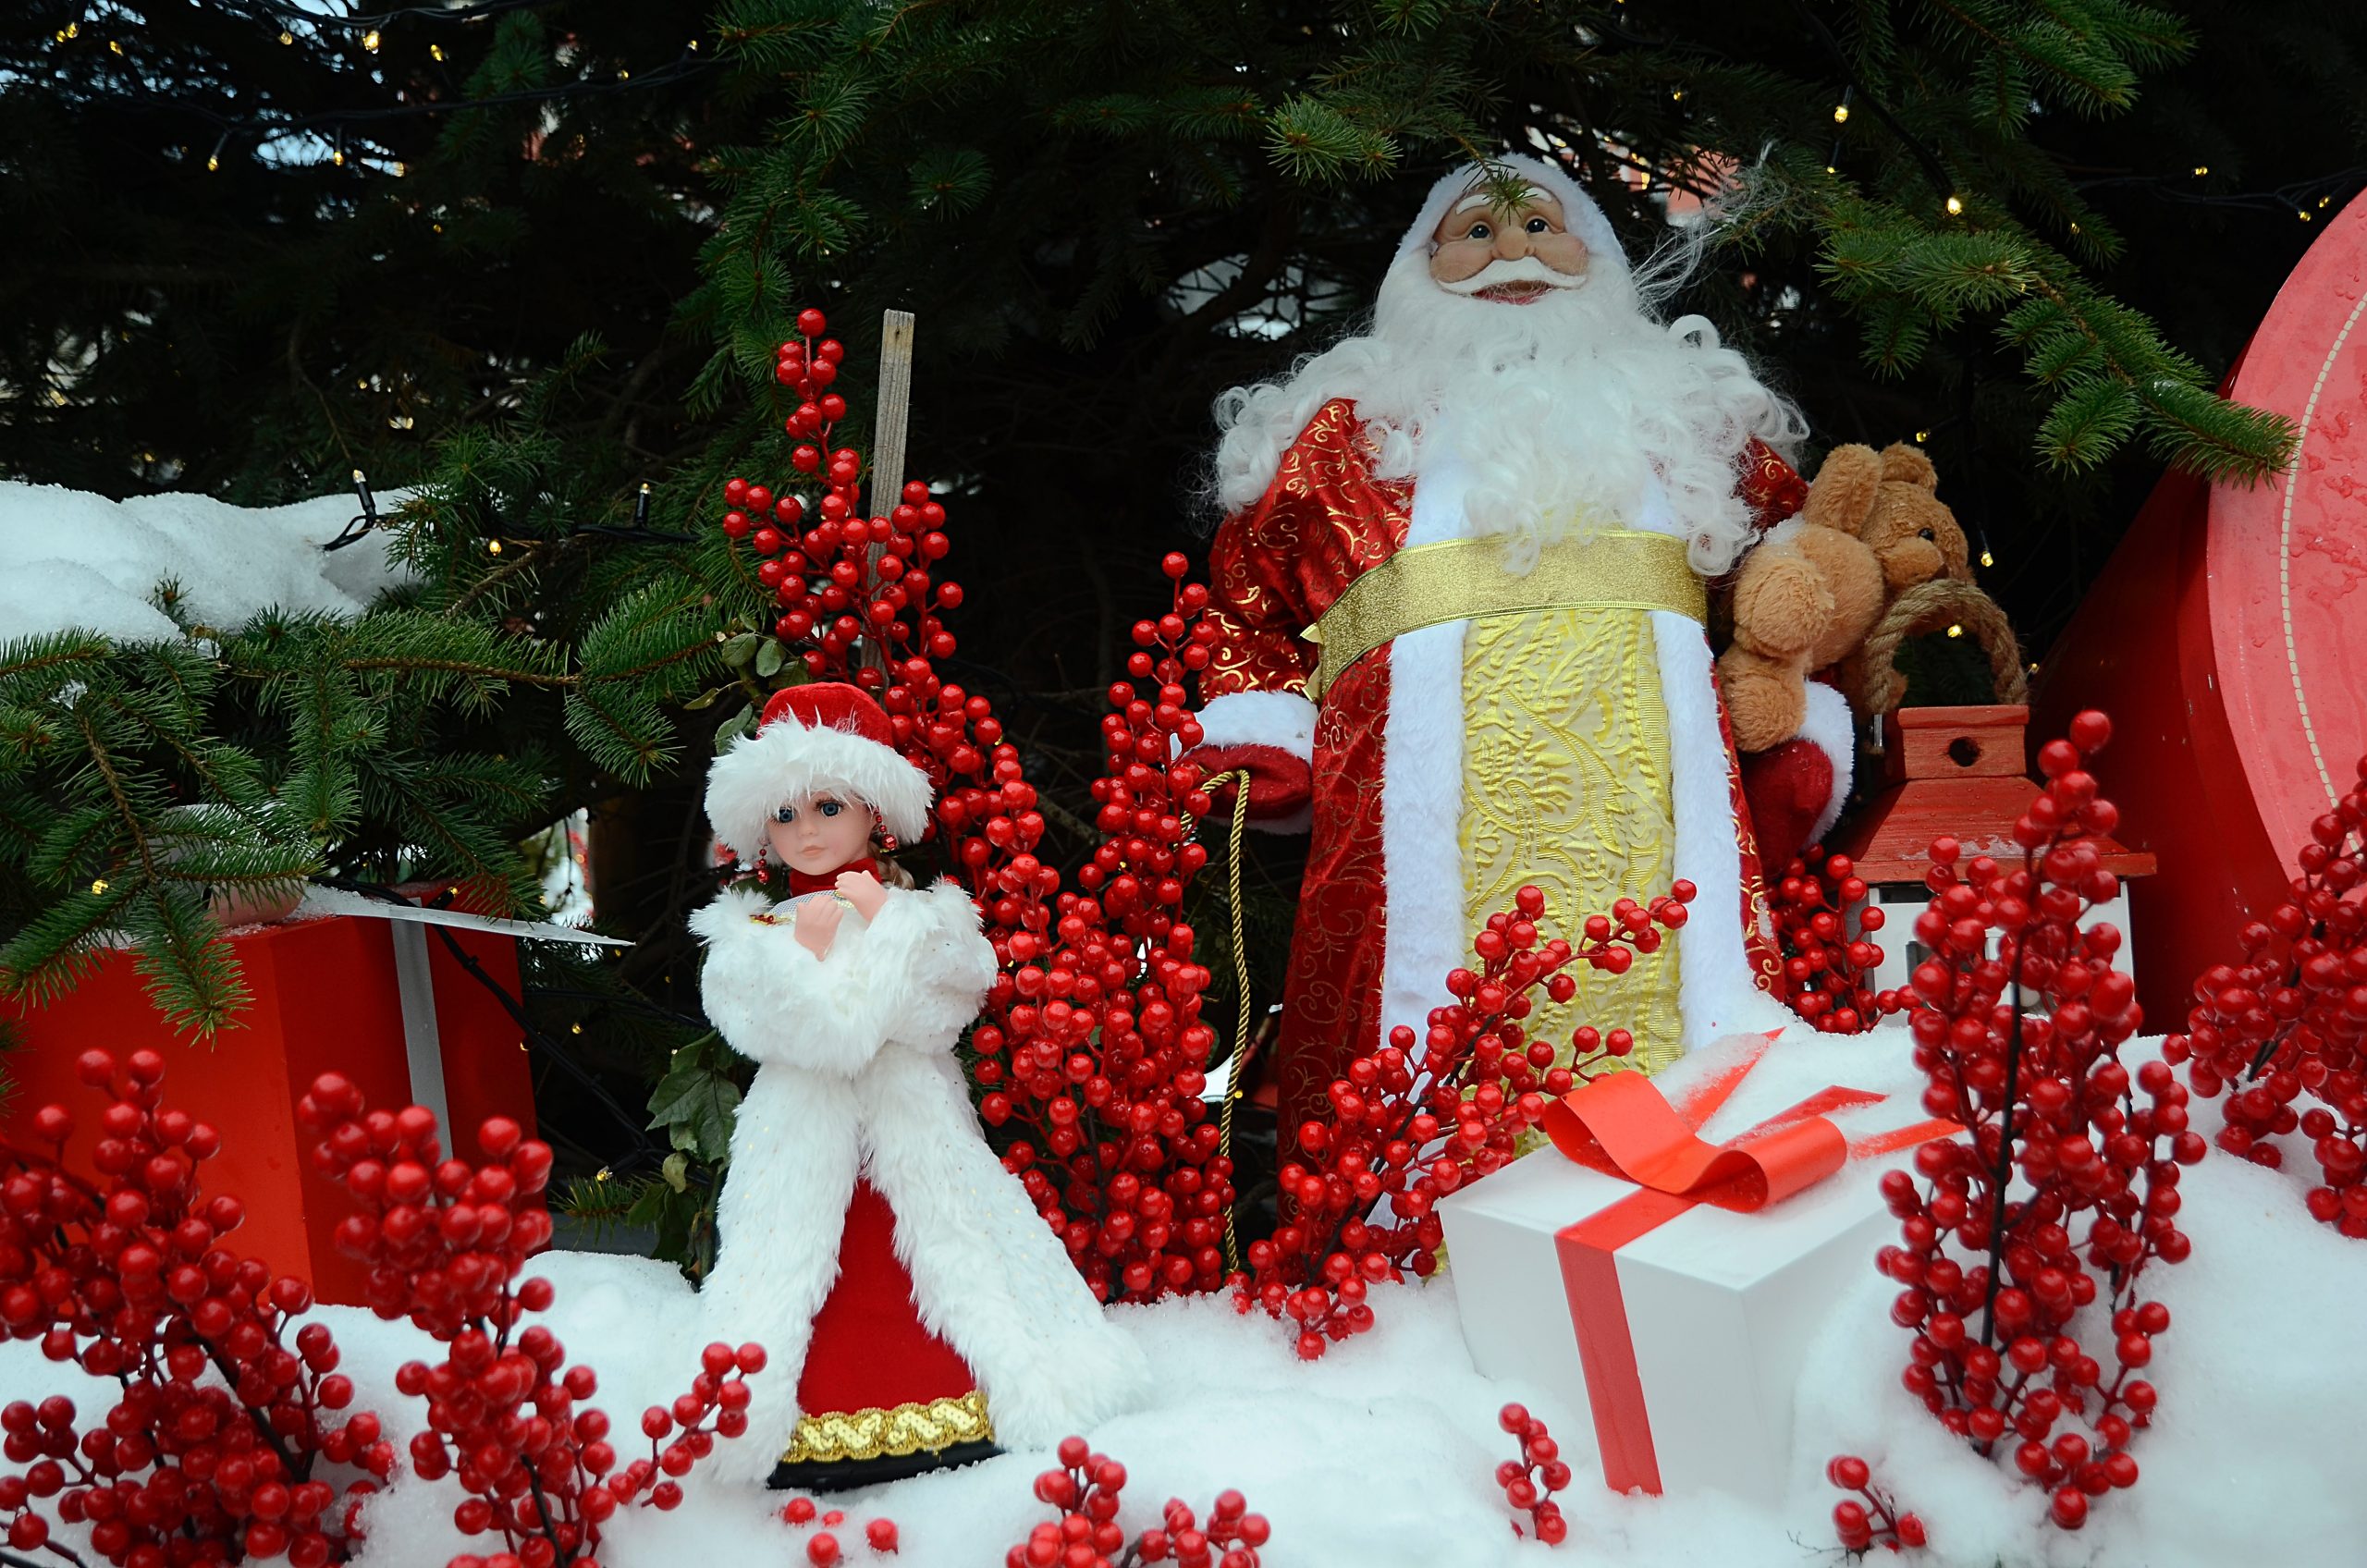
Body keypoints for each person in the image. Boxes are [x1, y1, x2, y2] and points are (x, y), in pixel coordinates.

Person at [1188, 155, 1833, 1129]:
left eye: (1539, 225)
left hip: (1651, 821)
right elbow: (1246, 595)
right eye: (1477, 233)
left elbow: (1795, 582)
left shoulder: (1686, 423)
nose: (1511, 255)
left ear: (1593, 252)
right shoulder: (1344, 437)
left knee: (1683, 1055)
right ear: (1420, 266)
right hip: (1400, 833)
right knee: (1413, 1077)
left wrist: (1794, 721)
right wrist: (1264, 732)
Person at [692, 681, 1148, 1488]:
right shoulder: (751, 934)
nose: (806, 831)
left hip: (916, 1122)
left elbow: (947, 1004)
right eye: (786, 814)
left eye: (828, 808)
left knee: (953, 1244)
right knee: (789, 1254)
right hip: (799, 1132)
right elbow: (782, 1029)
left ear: (873, 813)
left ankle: (974, 1393)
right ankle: (788, 1417)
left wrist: (889, 926)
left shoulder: (920, 919)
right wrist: (813, 955)